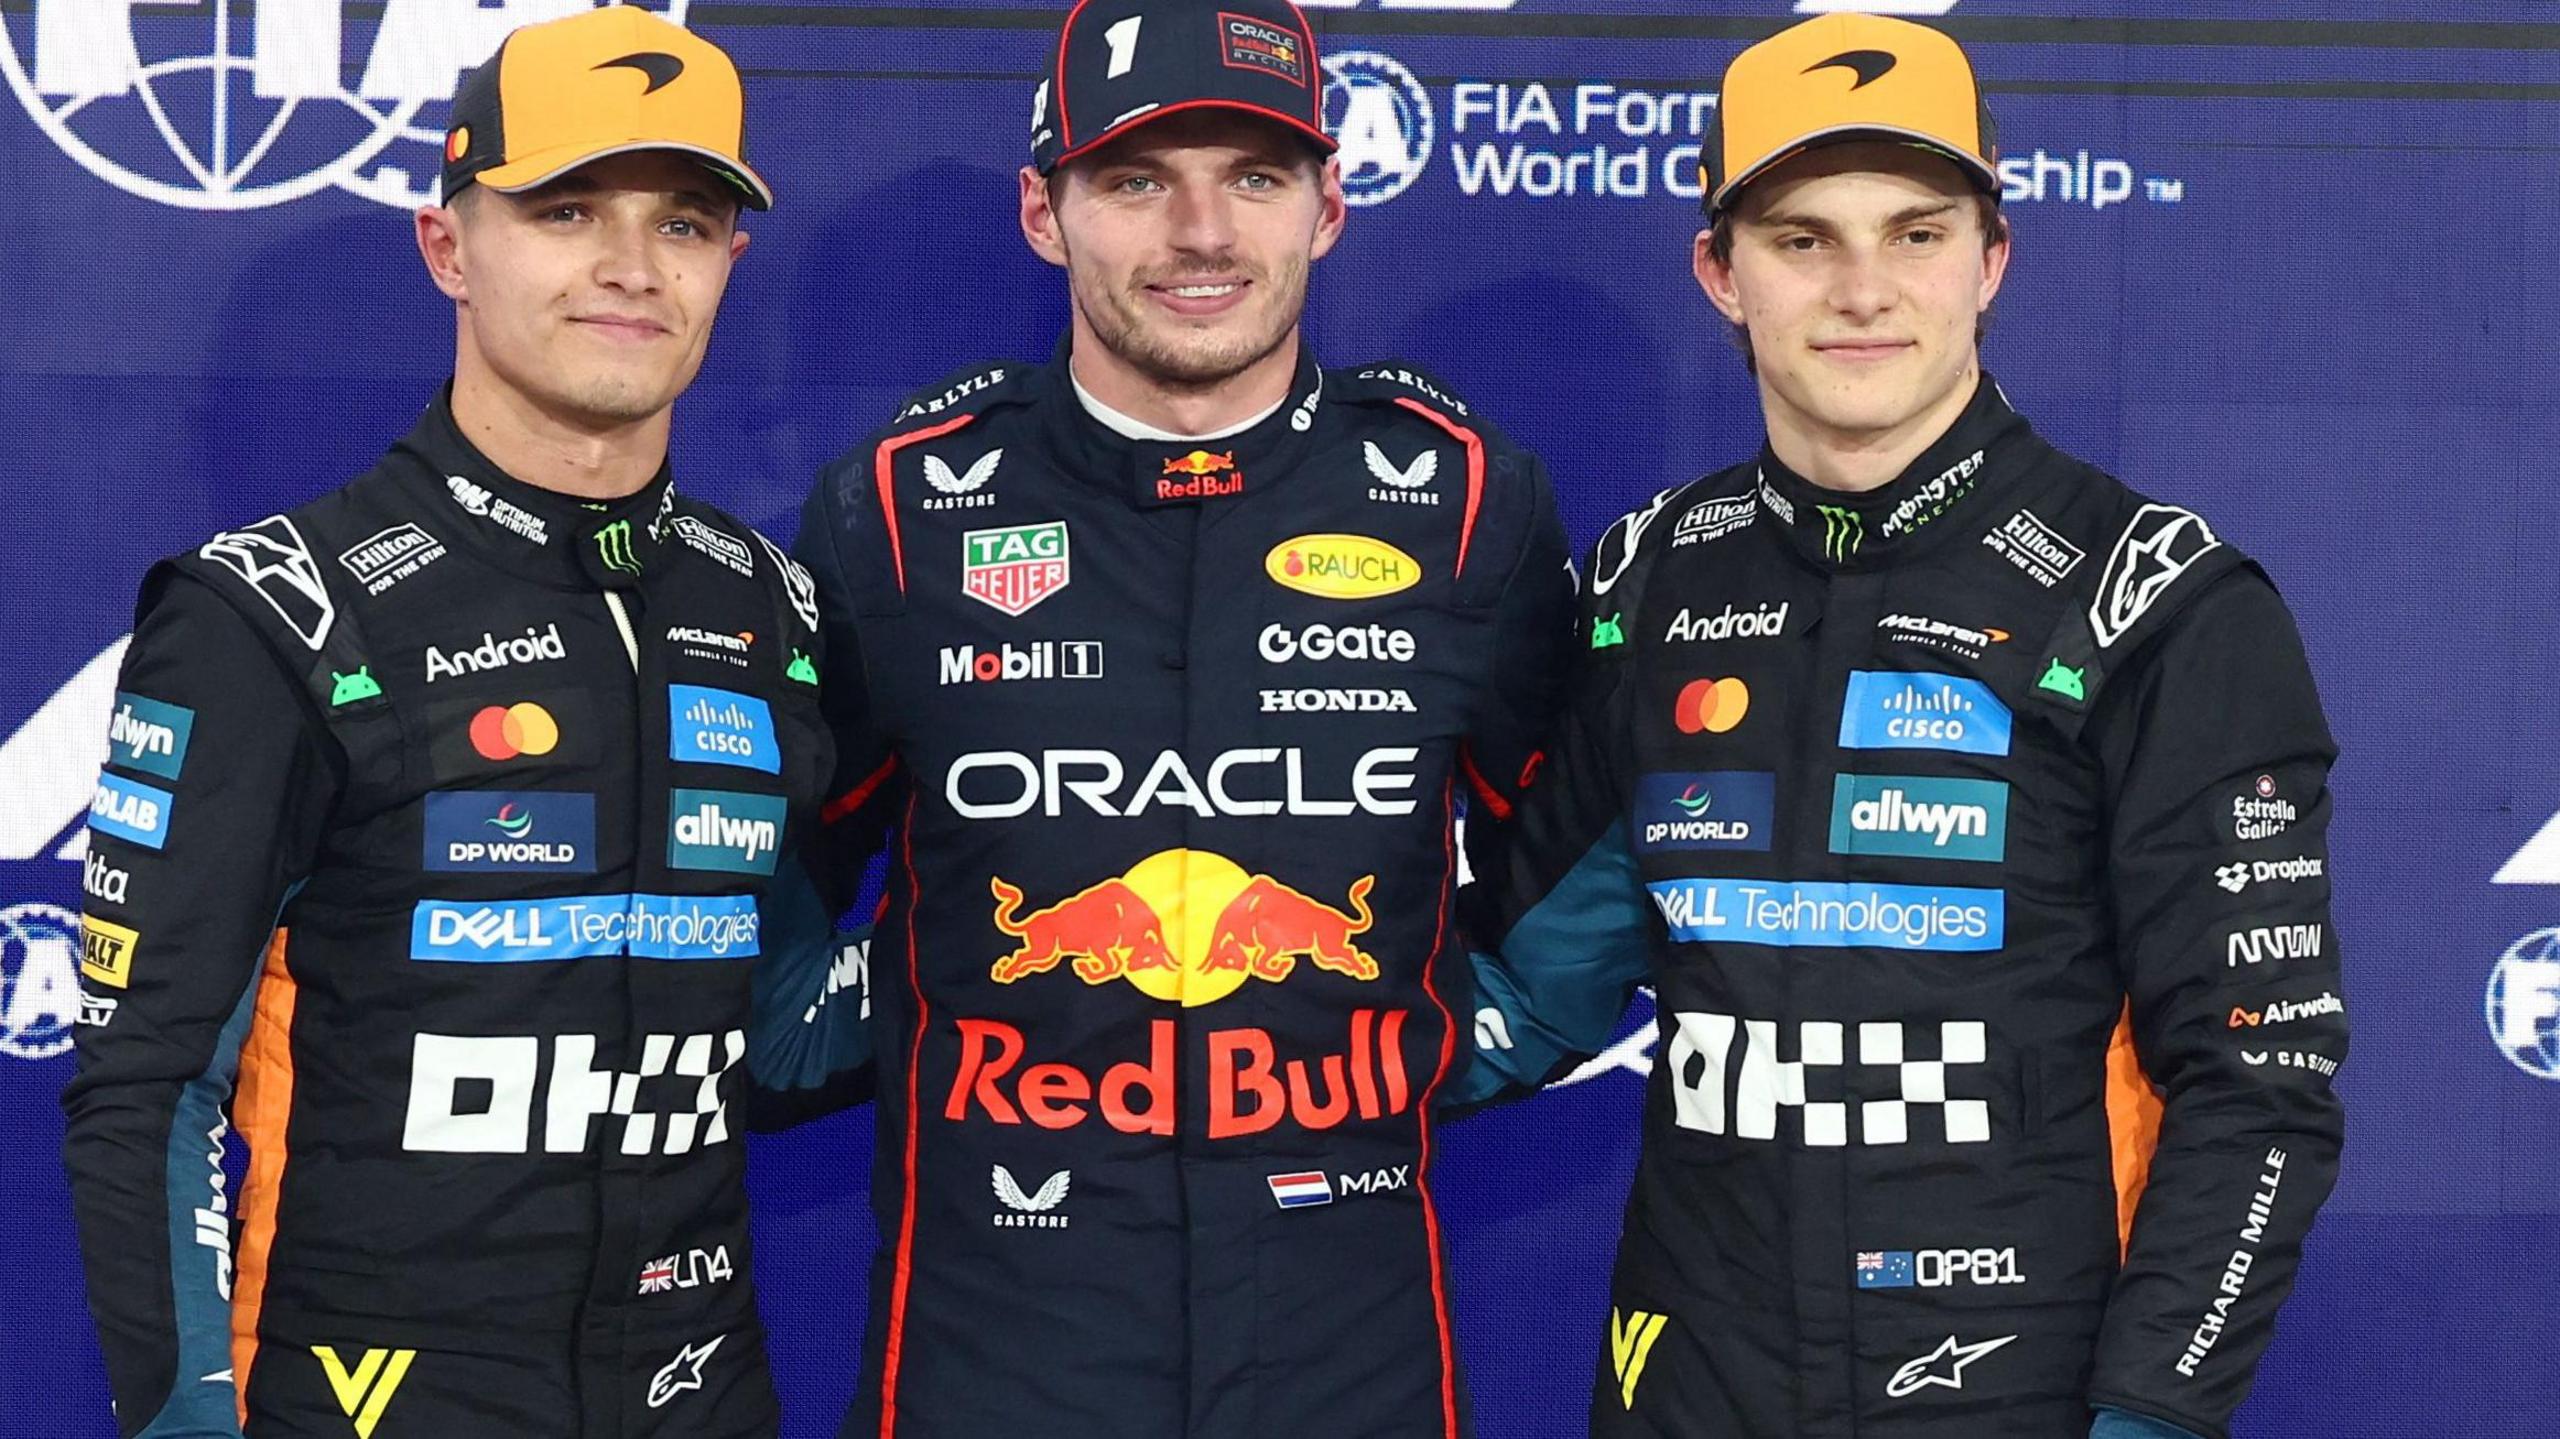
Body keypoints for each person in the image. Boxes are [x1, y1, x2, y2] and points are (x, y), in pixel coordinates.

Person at [1457, 14, 2345, 1439]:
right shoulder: (1652, 580)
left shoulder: (2160, 600)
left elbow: (2258, 1089)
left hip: (2018, 1390)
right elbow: (1525, 994)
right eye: (1803, 239)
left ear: (1991, 258)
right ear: (1719, 272)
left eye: (1915, 233)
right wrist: (1219, 1037)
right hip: (1686, 1386)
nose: (1863, 290)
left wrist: (2149, 1419)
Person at [778, 1, 1574, 1433]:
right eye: (1139, 180)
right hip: (994, 1363)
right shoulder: (893, 512)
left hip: (1350, 1366)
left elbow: (1573, 858)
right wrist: (910, 1017)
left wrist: (1464, 1035)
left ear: (1329, 207)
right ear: (1044, 210)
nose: (1202, 233)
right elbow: (761, 884)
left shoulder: (1469, 504)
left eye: (1254, 179)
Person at [62, 9, 842, 1436]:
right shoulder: (271, 614)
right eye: (563, 209)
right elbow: (149, 1089)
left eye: (683, 221)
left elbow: (777, 1030)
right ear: (448, 247)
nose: (628, 265)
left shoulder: (771, 606)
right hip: (369, 1400)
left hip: (704, 1393)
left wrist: (1031, 955)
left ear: (729, 260)